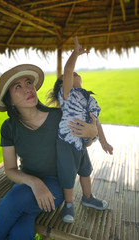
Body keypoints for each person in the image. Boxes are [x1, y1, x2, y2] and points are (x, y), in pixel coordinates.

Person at [0, 63, 100, 240]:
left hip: (56, 186)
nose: (27, 89)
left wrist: (93, 135)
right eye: (18, 87)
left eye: (28, 82)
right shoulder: (8, 127)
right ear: (10, 101)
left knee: (12, 201)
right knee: (19, 231)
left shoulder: (59, 117)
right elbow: (10, 169)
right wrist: (34, 182)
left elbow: (82, 144)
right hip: (26, 183)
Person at [47, 37, 113, 223]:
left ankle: (88, 197)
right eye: (69, 77)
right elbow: (67, 70)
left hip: (82, 143)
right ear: (62, 87)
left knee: (85, 170)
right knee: (68, 174)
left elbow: (96, 121)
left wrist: (103, 141)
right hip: (67, 142)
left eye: (77, 73)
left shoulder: (89, 98)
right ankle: (69, 203)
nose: (74, 73)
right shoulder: (67, 95)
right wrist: (75, 53)